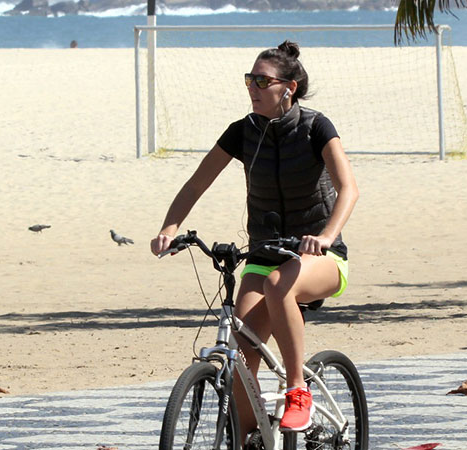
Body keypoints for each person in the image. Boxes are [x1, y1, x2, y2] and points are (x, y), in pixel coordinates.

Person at [150, 40, 359, 443]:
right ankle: (251, 438)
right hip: (265, 253)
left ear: (289, 88)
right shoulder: (242, 132)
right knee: (242, 350)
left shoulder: (317, 127)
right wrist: (170, 228)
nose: (253, 87)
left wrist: (327, 235)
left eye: (262, 80)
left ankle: (297, 388)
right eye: (250, 79)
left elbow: (348, 189)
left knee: (280, 286)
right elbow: (196, 183)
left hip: (321, 255)